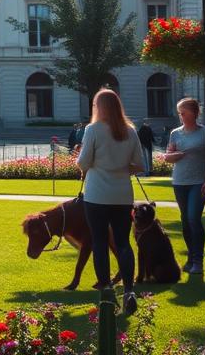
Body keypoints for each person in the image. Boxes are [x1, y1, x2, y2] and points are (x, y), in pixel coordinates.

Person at [77, 88, 145, 315]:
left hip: (97, 194)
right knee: (123, 242)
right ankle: (128, 290)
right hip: (122, 194)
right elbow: (139, 165)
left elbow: (83, 162)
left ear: (100, 107)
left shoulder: (93, 130)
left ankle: (106, 289)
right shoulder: (130, 131)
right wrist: (120, 165)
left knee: (99, 241)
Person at [162, 97, 205, 275]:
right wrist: (175, 155)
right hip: (179, 181)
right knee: (185, 221)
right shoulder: (175, 133)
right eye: (179, 113)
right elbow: (168, 156)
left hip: (198, 182)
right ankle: (191, 257)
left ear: (193, 113)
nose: (180, 116)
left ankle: (198, 261)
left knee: (194, 218)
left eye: (183, 112)